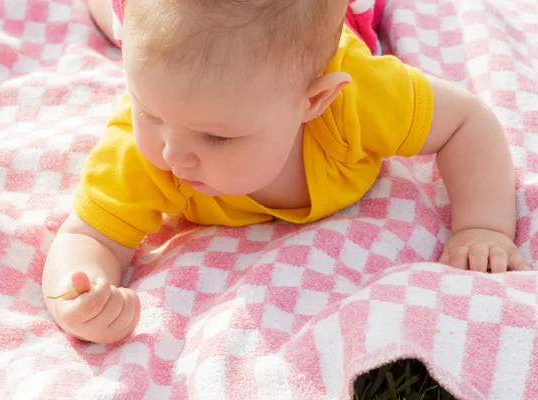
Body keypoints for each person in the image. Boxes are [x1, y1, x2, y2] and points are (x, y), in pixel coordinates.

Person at [42, 0, 527, 344]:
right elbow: (89, 237)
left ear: (313, 102)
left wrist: (482, 225)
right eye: (151, 111)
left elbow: (468, 121)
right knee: (123, 21)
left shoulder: (359, 100)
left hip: (330, 26)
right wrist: (78, 296)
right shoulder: (139, 150)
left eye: (216, 137)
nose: (174, 154)